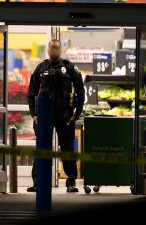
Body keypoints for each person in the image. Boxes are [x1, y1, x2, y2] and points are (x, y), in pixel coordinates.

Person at [26, 39, 85, 193]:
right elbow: (31, 92)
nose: (54, 51)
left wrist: (76, 114)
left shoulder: (69, 67)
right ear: (48, 50)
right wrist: (33, 115)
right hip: (44, 115)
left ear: (60, 50)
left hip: (65, 114)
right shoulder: (40, 68)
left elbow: (80, 90)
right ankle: (38, 183)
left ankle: (71, 182)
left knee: (67, 149)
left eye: (56, 48)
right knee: (42, 149)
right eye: (51, 48)